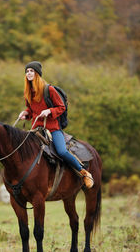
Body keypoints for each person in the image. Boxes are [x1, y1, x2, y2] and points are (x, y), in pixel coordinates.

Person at [18, 61, 94, 189]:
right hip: (36, 130)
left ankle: (84, 172)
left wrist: (49, 111)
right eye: (27, 71)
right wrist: (25, 113)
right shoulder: (28, 93)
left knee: (61, 151)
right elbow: (31, 111)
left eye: (31, 71)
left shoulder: (49, 90)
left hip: (53, 129)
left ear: (37, 73)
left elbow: (61, 107)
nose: (28, 73)